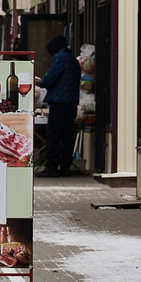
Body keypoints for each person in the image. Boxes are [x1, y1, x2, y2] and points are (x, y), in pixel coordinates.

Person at [39, 33, 81, 177]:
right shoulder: (72, 59)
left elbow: (50, 79)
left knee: (53, 135)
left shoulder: (60, 58)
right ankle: (65, 166)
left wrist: (40, 82)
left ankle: (52, 166)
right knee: (67, 136)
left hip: (59, 102)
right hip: (71, 103)